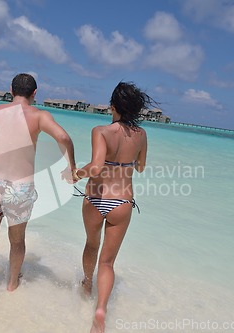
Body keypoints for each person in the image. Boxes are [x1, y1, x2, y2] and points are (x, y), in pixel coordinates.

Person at [0, 73, 76, 307]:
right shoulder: (40, 116)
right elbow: (63, 136)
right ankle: (12, 284)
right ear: (34, 93)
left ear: (10, 90)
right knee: (17, 241)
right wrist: (71, 167)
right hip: (20, 189)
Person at [72, 82, 151, 333]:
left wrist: (76, 174)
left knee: (91, 245)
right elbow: (141, 167)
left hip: (96, 198)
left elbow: (95, 167)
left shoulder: (101, 131)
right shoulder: (141, 135)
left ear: (113, 106)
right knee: (107, 263)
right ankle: (101, 309)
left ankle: (86, 284)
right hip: (123, 202)